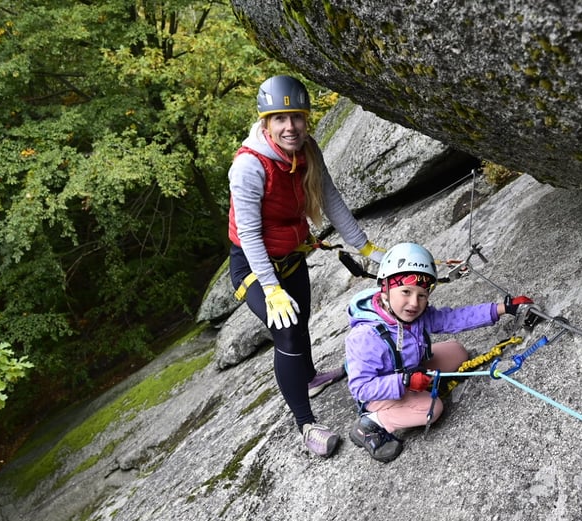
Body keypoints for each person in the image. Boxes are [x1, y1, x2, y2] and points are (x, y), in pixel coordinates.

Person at [228, 75, 385, 458]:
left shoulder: (308, 151)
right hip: (253, 264)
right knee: (287, 335)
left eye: (296, 117)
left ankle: (311, 378)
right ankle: (306, 425)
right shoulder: (250, 167)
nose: (289, 127)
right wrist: (270, 288)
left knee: (302, 325)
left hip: (292, 254)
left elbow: (331, 201)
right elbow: (248, 233)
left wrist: (366, 247)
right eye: (279, 118)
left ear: (306, 118)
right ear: (265, 123)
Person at [344, 242, 538, 462]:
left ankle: (411, 386)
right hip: (381, 393)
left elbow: (453, 318)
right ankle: (373, 422)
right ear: (385, 289)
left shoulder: (417, 314)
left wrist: (503, 308)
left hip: (410, 368)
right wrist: (405, 382)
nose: (413, 303)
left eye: (422, 295)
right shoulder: (365, 336)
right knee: (432, 408)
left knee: (457, 351)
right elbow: (361, 388)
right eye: (405, 292)